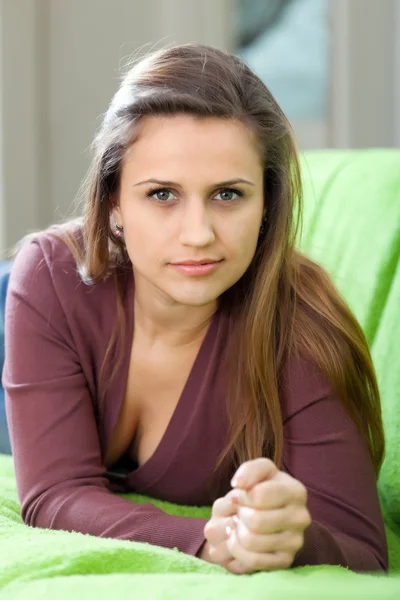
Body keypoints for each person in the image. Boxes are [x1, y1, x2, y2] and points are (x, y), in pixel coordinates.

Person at [2, 43, 388, 575]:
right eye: (162, 194)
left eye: (228, 195)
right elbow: (54, 493)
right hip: (36, 315)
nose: (198, 235)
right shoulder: (48, 276)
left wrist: (288, 540)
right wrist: (212, 539)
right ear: (114, 202)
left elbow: (362, 549)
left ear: (267, 206)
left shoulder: (302, 326)